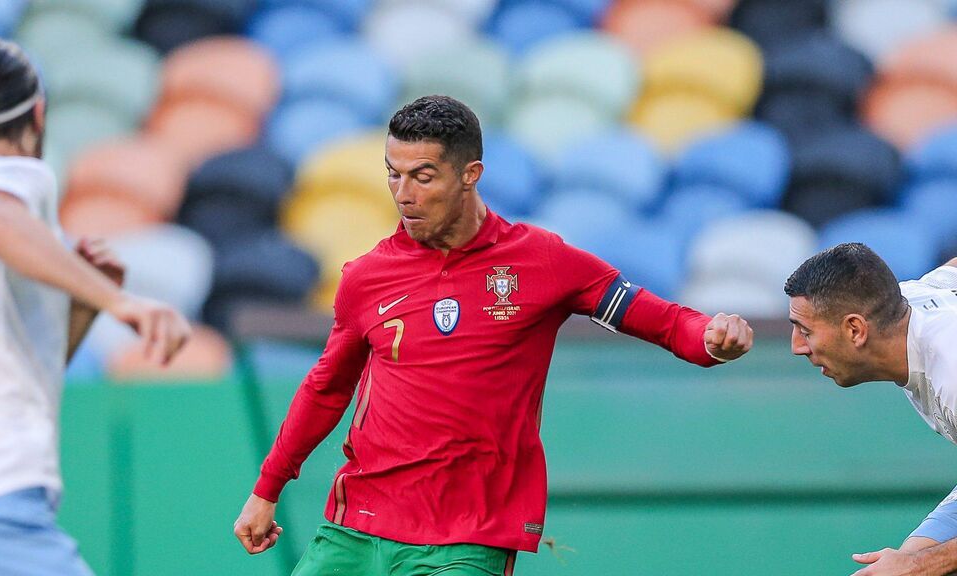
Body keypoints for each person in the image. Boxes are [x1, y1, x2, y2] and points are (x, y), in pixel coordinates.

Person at [233, 95, 754, 575]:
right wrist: (267, 488)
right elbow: (327, 387)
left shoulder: (543, 260)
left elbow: (659, 318)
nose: (404, 195)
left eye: (423, 176)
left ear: (470, 174)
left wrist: (710, 338)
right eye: (393, 175)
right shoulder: (366, 276)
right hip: (359, 523)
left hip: (469, 536)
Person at [0, 38, 192, 575]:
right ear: (38, 115)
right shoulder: (9, 177)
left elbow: (26, 368)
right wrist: (121, 301)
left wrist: (83, 302)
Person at [785, 243, 957, 576]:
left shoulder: (951, 369)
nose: (796, 347)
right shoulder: (909, 301)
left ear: (855, 329)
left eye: (805, 331)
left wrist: (922, 565)